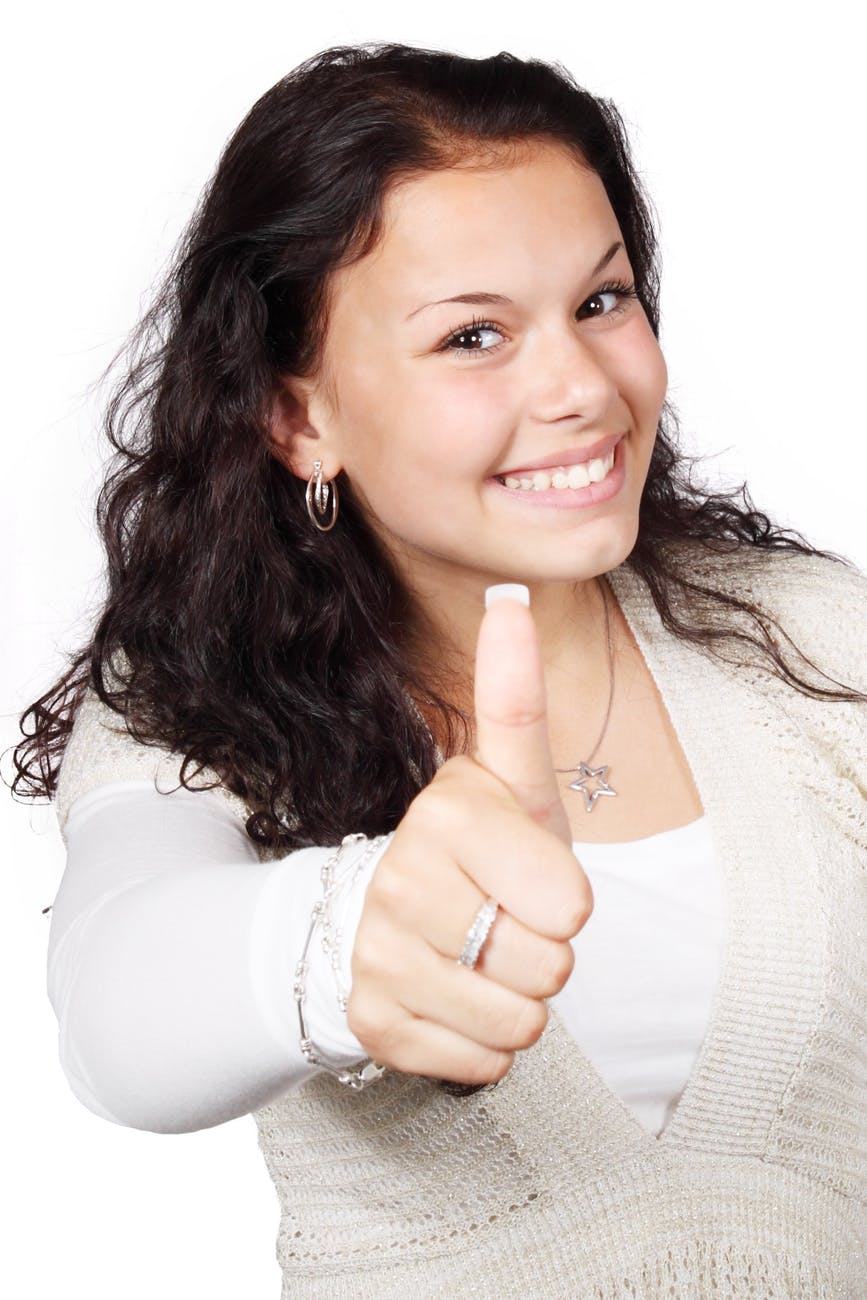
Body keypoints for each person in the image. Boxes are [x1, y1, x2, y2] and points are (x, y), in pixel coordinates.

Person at [12, 40, 867, 1299]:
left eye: (602, 300)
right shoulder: (195, 696)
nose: (582, 385)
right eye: (474, 335)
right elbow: (116, 1007)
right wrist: (342, 945)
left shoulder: (810, 638)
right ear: (299, 414)